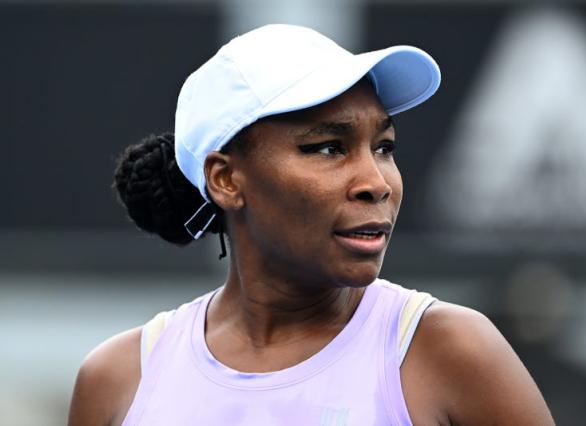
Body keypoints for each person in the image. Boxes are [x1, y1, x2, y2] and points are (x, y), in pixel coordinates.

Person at [68, 24, 554, 426]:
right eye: (328, 147)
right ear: (226, 179)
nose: (376, 182)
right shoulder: (119, 379)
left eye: (384, 147)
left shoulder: (452, 350)